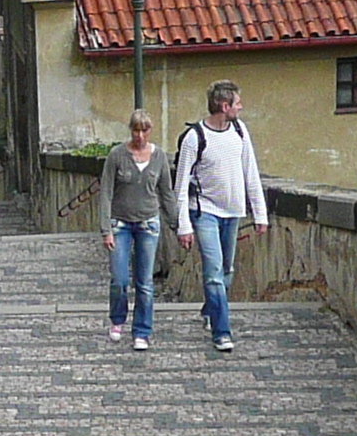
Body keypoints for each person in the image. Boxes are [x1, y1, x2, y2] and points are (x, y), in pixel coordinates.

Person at [170, 80, 268, 353]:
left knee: (226, 272)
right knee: (213, 273)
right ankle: (221, 332)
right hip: (205, 212)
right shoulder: (195, 138)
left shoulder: (239, 131)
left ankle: (209, 310)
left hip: (233, 212)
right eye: (237, 103)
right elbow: (180, 184)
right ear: (224, 106)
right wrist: (182, 226)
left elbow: (251, 171)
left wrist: (260, 214)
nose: (241, 107)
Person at [100, 110, 163, 349]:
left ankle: (142, 331)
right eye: (136, 130)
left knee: (145, 282)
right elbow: (105, 193)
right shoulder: (117, 155)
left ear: (150, 131)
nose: (140, 135)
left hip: (148, 222)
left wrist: (179, 225)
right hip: (120, 223)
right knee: (119, 278)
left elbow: (165, 193)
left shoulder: (159, 158)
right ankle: (117, 319)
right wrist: (105, 228)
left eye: (144, 130)